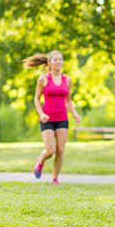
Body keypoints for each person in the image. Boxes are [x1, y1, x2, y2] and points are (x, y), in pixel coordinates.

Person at [23, 50, 81, 184]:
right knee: (51, 150)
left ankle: (55, 178)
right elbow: (36, 99)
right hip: (47, 119)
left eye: (60, 59)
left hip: (62, 118)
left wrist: (75, 113)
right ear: (49, 63)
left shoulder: (68, 79)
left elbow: (68, 101)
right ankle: (40, 160)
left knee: (60, 150)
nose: (58, 62)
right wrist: (41, 114)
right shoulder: (43, 79)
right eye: (55, 59)